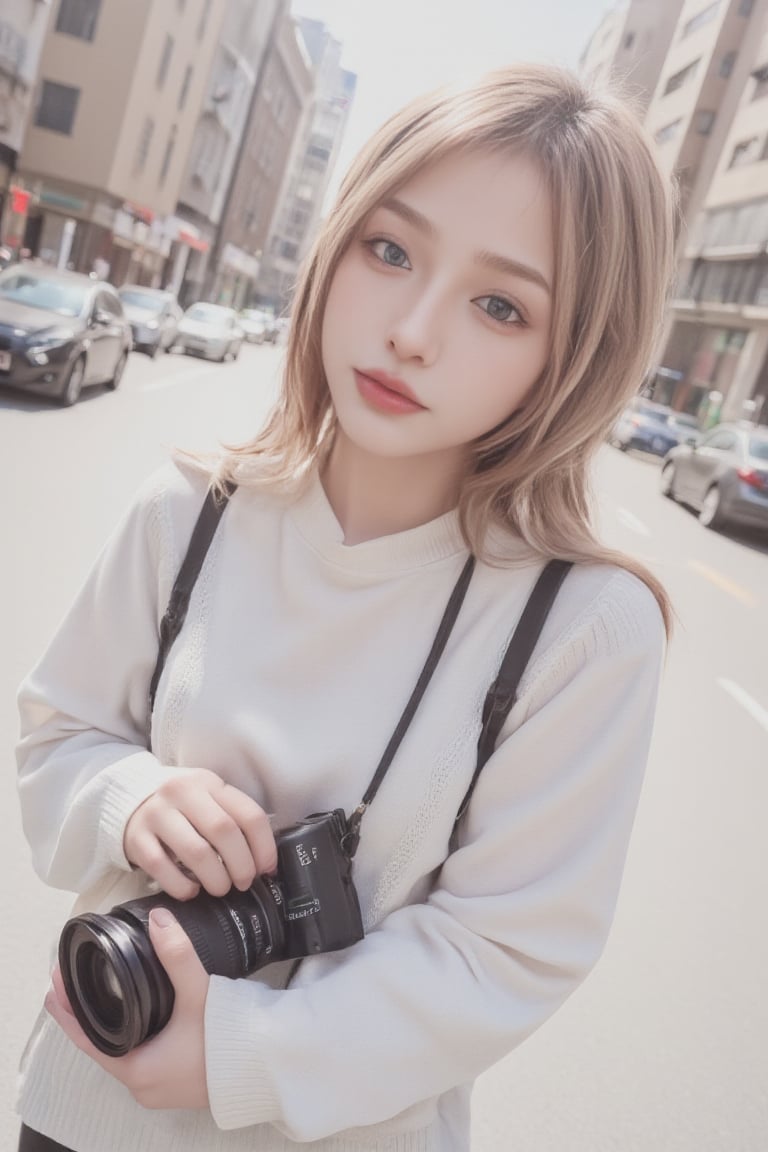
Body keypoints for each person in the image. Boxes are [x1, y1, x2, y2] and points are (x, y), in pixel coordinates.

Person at [15, 63, 676, 1152]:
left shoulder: (583, 629)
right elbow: (57, 739)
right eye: (391, 249)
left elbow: (505, 950)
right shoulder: (192, 512)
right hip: (91, 1099)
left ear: (576, 358)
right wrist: (132, 800)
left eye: (501, 305)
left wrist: (246, 1056)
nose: (413, 330)